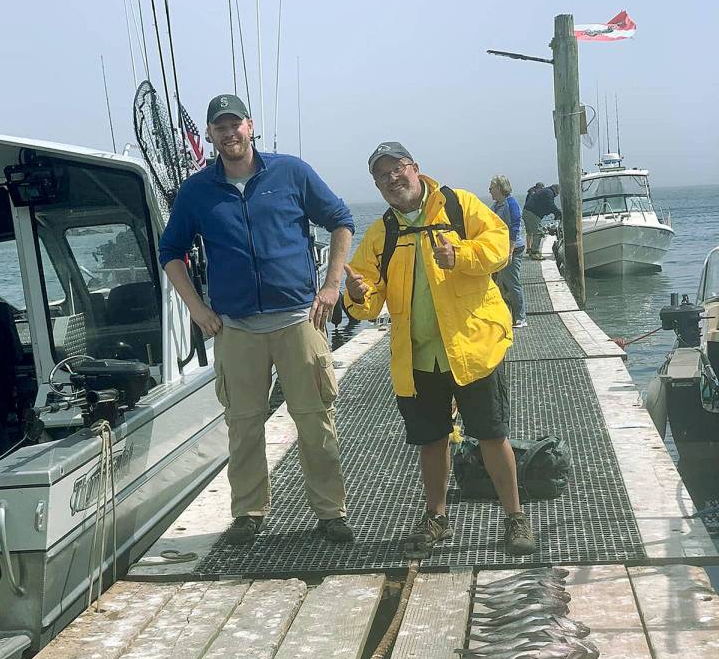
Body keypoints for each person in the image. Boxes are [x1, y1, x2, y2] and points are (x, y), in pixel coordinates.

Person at [159, 94, 355, 545]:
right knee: (243, 425)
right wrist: (197, 308)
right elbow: (170, 251)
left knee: (314, 420)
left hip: (297, 322)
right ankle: (249, 513)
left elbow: (341, 221)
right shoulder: (196, 192)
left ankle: (330, 512)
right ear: (210, 135)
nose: (230, 133)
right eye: (219, 127)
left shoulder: (291, 172)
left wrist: (332, 286)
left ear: (251, 126)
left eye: (236, 124)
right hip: (237, 328)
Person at [343, 142, 536, 556]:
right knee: (431, 440)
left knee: (491, 434)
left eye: (397, 169)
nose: (392, 179)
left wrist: (461, 254)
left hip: (472, 346)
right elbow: (369, 299)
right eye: (382, 176)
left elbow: (501, 246)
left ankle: (515, 517)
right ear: (377, 185)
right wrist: (357, 293)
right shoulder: (382, 233)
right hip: (419, 356)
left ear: (415, 168)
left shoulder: (458, 205)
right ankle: (436, 517)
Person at [489, 175, 527, 329]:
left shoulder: (511, 204)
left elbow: (515, 228)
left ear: (499, 188)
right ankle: (507, 315)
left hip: (512, 248)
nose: (489, 191)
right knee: (501, 284)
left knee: (512, 283)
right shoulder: (495, 205)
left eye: (491, 187)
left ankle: (520, 318)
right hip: (500, 249)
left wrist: (510, 252)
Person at [523, 183, 561, 259]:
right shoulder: (549, 193)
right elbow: (550, 205)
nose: (557, 195)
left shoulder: (546, 191)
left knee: (533, 232)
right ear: (556, 191)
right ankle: (535, 253)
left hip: (528, 212)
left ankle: (532, 250)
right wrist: (558, 213)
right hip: (532, 214)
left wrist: (555, 212)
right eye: (557, 193)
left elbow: (547, 206)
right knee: (538, 233)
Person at [523, 182, 544, 253]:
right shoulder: (534, 194)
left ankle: (528, 248)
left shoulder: (530, 193)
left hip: (525, 213)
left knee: (528, 232)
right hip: (531, 214)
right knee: (534, 232)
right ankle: (532, 248)